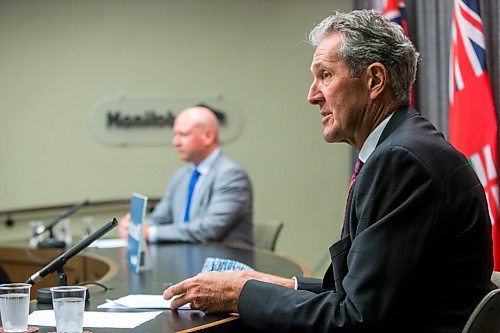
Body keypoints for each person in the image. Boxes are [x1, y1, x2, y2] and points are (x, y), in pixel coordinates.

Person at [163, 9, 495, 332]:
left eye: (325, 75)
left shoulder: (400, 160)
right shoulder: (405, 143)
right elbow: (368, 294)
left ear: (374, 80)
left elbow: (355, 319)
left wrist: (241, 293)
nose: (312, 96)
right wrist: (280, 284)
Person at [119, 105, 253, 248]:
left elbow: (209, 229)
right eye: (175, 135)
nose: (175, 142)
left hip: (225, 263)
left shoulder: (231, 175)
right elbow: (161, 217)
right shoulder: (182, 175)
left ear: (208, 136)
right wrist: (135, 226)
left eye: (183, 135)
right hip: (187, 257)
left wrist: (150, 232)